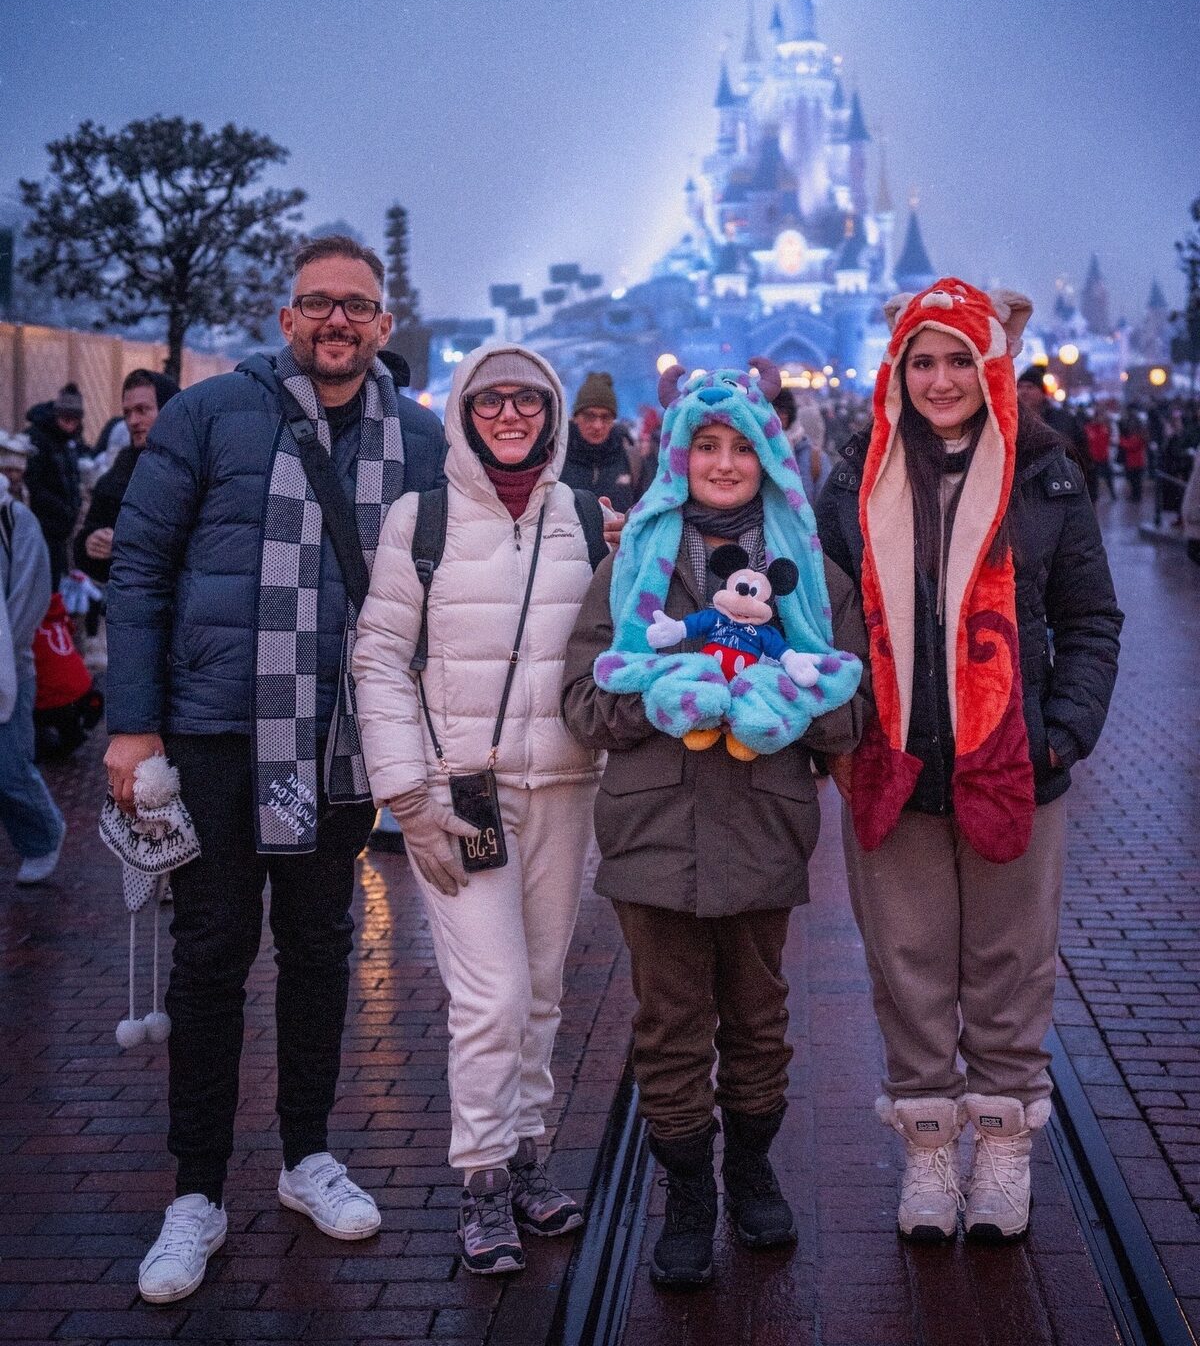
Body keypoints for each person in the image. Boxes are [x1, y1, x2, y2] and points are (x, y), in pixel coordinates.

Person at [105, 234, 446, 1304]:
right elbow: (143, 570)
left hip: (341, 739)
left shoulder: (422, 439)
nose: (337, 321)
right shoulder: (210, 416)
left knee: (319, 945)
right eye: (317, 303)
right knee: (210, 955)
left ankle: (306, 1156)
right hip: (216, 732)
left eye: (358, 305)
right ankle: (196, 1192)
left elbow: (455, 577)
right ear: (285, 317)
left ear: (384, 325)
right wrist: (130, 726)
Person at [816, 280, 1122, 1244]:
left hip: (1016, 765)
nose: (941, 379)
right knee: (908, 967)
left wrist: (1059, 733)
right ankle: (928, 1151)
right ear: (897, 371)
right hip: (894, 766)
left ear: (990, 366)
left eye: (958, 358)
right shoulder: (853, 480)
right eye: (923, 360)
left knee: (1010, 966)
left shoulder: (1045, 472)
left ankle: (1000, 1147)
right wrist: (846, 729)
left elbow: (1090, 620)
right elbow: (823, 623)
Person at [563, 358, 867, 1289]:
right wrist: (665, 695)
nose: (725, 463)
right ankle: (689, 1192)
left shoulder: (811, 575)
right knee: (668, 1025)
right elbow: (583, 700)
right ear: (679, 457)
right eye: (708, 446)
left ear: (770, 458)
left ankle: (752, 1169)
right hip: (651, 829)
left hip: (761, 826)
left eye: (742, 447)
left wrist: (770, 694)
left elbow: (847, 714)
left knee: (759, 1016)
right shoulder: (629, 573)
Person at [352, 345, 601, 1276]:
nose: (509, 414)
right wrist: (409, 796)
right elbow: (378, 655)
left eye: (527, 400)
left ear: (551, 410)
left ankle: (528, 1154)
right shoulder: (421, 520)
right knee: (490, 996)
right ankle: (484, 1176)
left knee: (539, 992)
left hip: (565, 790)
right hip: (458, 800)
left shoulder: (581, 517)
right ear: (463, 410)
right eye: (491, 399)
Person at [0, 470, 67, 884]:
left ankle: (44, 834)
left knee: (9, 766)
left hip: (10, 668)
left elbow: (29, 592)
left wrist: (7, 653)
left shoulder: (14, 518)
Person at [75, 370, 179, 582]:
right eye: (127, 413)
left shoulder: (193, 468)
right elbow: (92, 532)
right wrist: (91, 543)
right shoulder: (119, 473)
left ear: (169, 410)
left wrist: (126, 545)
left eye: (142, 410)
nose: (132, 421)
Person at [24, 382, 85, 582]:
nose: (70, 424)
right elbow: (33, 485)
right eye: (65, 418)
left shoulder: (71, 441)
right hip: (41, 529)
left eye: (74, 419)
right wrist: (63, 509)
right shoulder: (37, 439)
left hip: (60, 531)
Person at [560, 371, 645, 507]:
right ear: (576, 417)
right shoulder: (555, 457)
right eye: (589, 416)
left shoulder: (631, 459)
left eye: (605, 417)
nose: (597, 425)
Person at [772, 386, 831, 506]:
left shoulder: (815, 457)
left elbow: (825, 506)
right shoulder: (757, 453)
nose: (780, 416)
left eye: (784, 411)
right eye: (775, 411)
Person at [1083, 407, 1116, 501]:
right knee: (1094, 479)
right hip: (1093, 458)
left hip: (1104, 457)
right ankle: (1093, 496)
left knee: (1108, 477)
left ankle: (1113, 494)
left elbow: (1110, 438)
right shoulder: (1088, 428)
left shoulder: (1105, 428)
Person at [1117, 411, 1148, 503]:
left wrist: (1121, 441)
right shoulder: (1138, 435)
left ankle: (1136, 497)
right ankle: (1135, 496)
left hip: (1135, 462)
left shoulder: (1138, 436)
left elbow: (1131, 446)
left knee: (1135, 481)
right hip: (1133, 461)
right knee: (1134, 481)